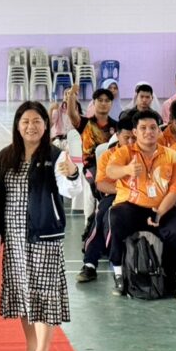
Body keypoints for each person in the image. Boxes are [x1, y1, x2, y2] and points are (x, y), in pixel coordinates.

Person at [0, 100, 80, 351]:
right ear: (17, 125)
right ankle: (31, 350)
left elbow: (70, 191)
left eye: (37, 121)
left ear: (46, 125)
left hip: (44, 235)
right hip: (14, 236)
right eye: (25, 121)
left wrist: (72, 173)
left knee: (43, 296)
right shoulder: (6, 155)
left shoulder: (56, 155)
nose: (31, 126)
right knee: (23, 294)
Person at [105, 109, 176, 296]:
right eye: (143, 128)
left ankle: (169, 275)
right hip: (132, 207)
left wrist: (159, 213)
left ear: (159, 131)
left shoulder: (173, 156)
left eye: (152, 127)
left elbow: (175, 190)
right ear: (135, 132)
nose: (148, 132)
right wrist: (126, 170)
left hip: (163, 208)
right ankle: (118, 273)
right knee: (115, 216)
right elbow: (110, 171)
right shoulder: (124, 152)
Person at [77, 115, 135, 283]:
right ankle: (89, 264)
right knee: (101, 215)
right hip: (115, 195)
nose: (131, 142)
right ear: (117, 135)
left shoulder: (143, 153)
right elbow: (101, 184)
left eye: (134, 137)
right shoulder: (108, 155)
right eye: (126, 137)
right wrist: (123, 190)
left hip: (141, 198)